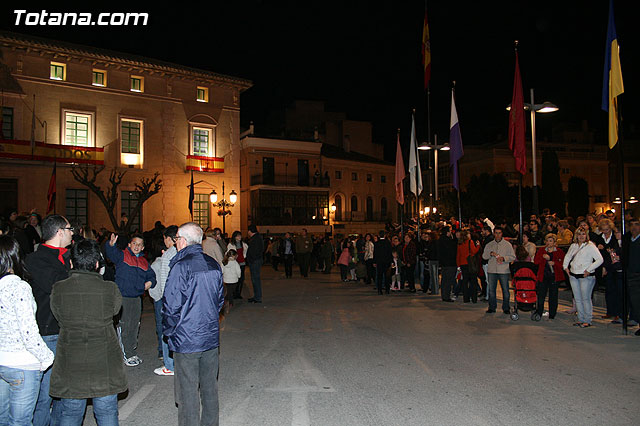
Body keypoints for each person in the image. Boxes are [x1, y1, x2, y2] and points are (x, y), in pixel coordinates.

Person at [49, 239, 127, 425]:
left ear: (71, 263)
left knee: (70, 413)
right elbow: (115, 310)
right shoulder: (110, 289)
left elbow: (57, 315)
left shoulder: (58, 289)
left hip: (71, 361)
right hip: (104, 361)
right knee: (107, 411)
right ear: (97, 264)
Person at [163, 222, 224, 426]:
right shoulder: (213, 264)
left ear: (183, 241)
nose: (176, 242)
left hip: (187, 339)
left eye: (177, 238)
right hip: (209, 336)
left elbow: (171, 305)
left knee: (188, 391)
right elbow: (219, 300)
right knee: (209, 388)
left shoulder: (181, 266)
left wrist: (170, 331)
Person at [0, 235, 54, 426]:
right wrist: (46, 357)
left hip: (2, 361)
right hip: (22, 363)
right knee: (21, 421)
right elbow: (28, 331)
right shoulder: (19, 287)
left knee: (3, 418)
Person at [25, 214, 73, 426]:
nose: (73, 233)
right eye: (70, 229)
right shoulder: (37, 259)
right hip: (48, 332)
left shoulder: (65, 256)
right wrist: (71, 272)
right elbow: (57, 287)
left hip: (67, 330)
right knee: (45, 393)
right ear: (60, 231)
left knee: (64, 390)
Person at [105, 233, 156, 367]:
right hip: (123, 297)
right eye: (134, 243)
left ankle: (131, 351)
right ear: (129, 244)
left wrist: (149, 283)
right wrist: (110, 245)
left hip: (137, 298)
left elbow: (152, 275)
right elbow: (111, 253)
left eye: (139, 244)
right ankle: (125, 354)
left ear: (143, 247)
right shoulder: (123, 256)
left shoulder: (144, 262)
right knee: (125, 325)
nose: (136, 246)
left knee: (135, 325)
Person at [150, 225, 178, 376]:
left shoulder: (168, 255)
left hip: (169, 299)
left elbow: (164, 280)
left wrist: (160, 298)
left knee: (166, 331)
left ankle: (169, 364)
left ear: (169, 239)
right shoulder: (183, 252)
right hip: (181, 299)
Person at [562, 228, 603, 328]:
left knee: (585, 298)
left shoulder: (590, 246)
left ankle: (587, 319)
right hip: (573, 275)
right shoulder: (573, 246)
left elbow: (600, 259)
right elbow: (567, 257)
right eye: (579, 234)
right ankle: (580, 318)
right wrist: (565, 267)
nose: (581, 236)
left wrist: (589, 269)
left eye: (583, 234)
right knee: (577, 298)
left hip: (586, 276)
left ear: (586, 235)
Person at [594, 219, 623, 323]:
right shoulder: (599, 238)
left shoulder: (615, 238)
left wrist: (604, 248)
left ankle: (618, 313)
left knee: (618, 291)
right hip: (605, 266)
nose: (605, 232)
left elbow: (613, 251)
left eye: (607, 229)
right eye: (603, 230)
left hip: (615, 266)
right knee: (609, 290)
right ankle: (610, 312)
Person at [482, 227, 516, 314]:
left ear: (502, 234)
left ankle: (506, 307)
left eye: (499, 233)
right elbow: (484, 256)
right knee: (491, 290)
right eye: (496, 233)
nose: (497, 235)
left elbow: (513, 256)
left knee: (505, 290)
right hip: (492, 270)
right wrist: (490, 254)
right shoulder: (489, 244)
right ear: (493, 233)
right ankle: (492, 307)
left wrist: (504, 258)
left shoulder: (507, 245)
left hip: (503, 270)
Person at [533, 233, 565, 320]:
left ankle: (552, 313)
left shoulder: (559, 251)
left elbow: (563, 264)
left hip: (554, 276)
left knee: (553, 296)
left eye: (550, 241)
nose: (548, 242)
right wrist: (543, 257)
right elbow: (536, 262)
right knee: (541, 295)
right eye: (547, 240)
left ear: (554, 242)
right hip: (543, 276)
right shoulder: (542, 250)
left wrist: (554, 263)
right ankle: (539, 311)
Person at [622, 220, 640, 335]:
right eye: (631, 225)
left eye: (637, 225)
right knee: (635, 302)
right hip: (632, 274)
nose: (634, 227)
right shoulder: (628, 239)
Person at [456, 230, 479, 303]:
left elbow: (458, 255)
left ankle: (466, 298)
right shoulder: (470, 242)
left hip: (463, 264)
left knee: (465, 282)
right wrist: (478, 246)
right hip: (470, 264)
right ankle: (474, 298)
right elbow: (474, 251)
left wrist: (458, 265)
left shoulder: (459, 244)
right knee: (473, 282)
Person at [437, 226, 457, 303]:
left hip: (444, 263)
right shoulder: (448, 241)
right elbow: (452, 250)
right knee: (448, 280)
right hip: (450, 263)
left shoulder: (440, 240)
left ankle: (444, 295)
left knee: (444, 280)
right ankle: (446, 296)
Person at [227, 231, 248, 299]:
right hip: (234, 263)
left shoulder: (243, 244)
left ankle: (238, 293)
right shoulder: (231, 245)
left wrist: (244, 257)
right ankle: (234, 293)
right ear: (235, 237)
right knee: (235, 278)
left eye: (240, 236)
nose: (239, 237)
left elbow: (245, 251)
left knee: (241, 279)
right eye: (238, 236)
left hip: (242, 263)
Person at [246, 225, 264, 303]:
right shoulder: (257, 238)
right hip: (256, 260)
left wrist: (251, 259)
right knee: (255, 279)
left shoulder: (255, 239)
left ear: (250, 231)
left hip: (255, 261)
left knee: (255, 279)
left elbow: (255, 251)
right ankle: (257, 296)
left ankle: (257, 297)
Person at [221, 249, 241, 316]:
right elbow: (238, 271)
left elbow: (222, 270)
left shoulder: (224, 262)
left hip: (226, 280)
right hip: (233, 280)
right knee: (231, 292)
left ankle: (227, 301)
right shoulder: (235, 263)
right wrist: (239, 276)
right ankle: (230, 303)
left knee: (228, 291)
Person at [373, 230, 392, 295]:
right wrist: (391, 261)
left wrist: (374, 262)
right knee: (387, 276)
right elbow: (390, 253)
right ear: (385, 235)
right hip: (386, 262)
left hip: (379, 262)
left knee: (379, 276)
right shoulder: (388, 243)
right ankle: (387, 289)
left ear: (379, 235)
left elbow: (375, 253)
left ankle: (379, 290)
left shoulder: (376, 243)